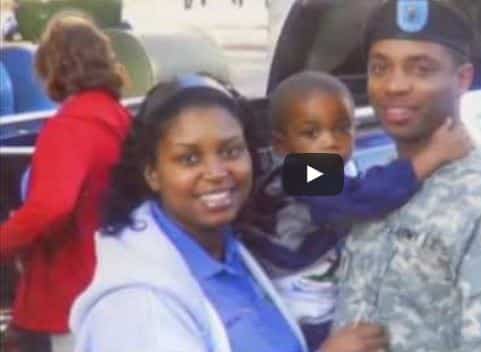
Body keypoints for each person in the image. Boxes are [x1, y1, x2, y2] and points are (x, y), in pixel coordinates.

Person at [69, 74, 388, 352]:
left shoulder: (233, 250)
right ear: (152, 172)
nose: (217, 172)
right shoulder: (138, 309)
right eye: (189, 159)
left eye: (231, 151)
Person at [332, 1, 481, 352]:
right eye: (380, 67)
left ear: (462, 80)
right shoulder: (377, 179)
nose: (394, 85)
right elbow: (294, 179)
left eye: (421, 69)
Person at [238, 70, 471, 350]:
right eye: (311, 133)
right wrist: (433, 156)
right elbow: (363, 197)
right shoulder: (298, 173)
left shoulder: (328, 167)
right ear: (281, 145)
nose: (330, 141)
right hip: (298, 298)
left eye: (342, 128)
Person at [0, 15, 131, 352]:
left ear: (51, 68)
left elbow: (50, 206)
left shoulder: (70, 128)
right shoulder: (118, 117)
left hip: (63, 296)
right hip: (110, 283)